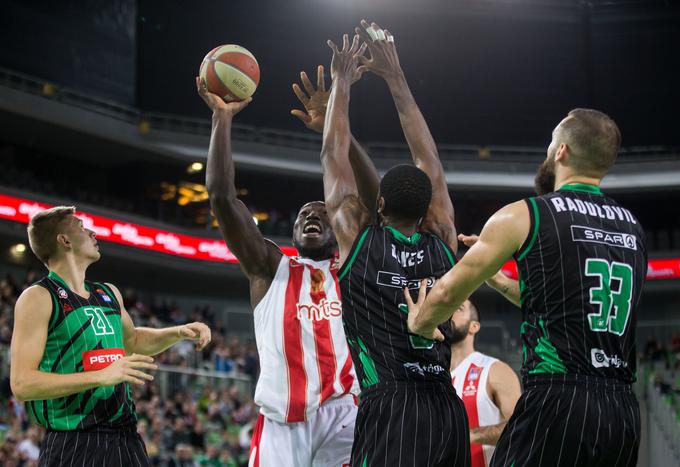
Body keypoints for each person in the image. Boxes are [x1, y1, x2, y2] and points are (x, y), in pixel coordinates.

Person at [406, 108, 646, 466]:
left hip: (558, 400)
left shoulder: (524, 214)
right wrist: (501, 283)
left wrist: (420, 323)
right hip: (621, 411)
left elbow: (444, 294)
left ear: (561, 152)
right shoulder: (632, 229)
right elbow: (571, 304)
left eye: (550, 145)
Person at [197, 68, 379, 465]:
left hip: (344, 417)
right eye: (302, 216)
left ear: (342, 224)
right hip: (283, 421)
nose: (312, 218)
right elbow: (222, 198)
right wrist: (221, 119)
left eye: (323, 213)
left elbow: (374, 200)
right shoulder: (268, 266)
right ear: (292, 232)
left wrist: (338, 130)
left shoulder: (354, 265)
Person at [320, 22, 470, 466]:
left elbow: (333, 154)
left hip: (391, 407)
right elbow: (431, 161)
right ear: (430, 209)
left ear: (379, 204)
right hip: (447, 407)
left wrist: (341, 84)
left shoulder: (359, 238)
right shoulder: (442, 238)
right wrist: (396, 78)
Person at [10, 206, 212, 466]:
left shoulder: (108, 293)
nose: (93, 232)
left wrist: (178, 332)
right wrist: (101, 375)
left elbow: (133, 342)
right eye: (82, 227)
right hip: (74, 442)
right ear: (64, 240)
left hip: (127, 440)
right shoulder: (38, 297)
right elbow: (22, 383)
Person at [449, 300, 521, 467]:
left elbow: (521, 427)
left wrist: (470, 435)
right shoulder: (432, 376)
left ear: (474, 326)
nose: (450, 313)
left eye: (458, 308)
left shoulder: (494, 370)